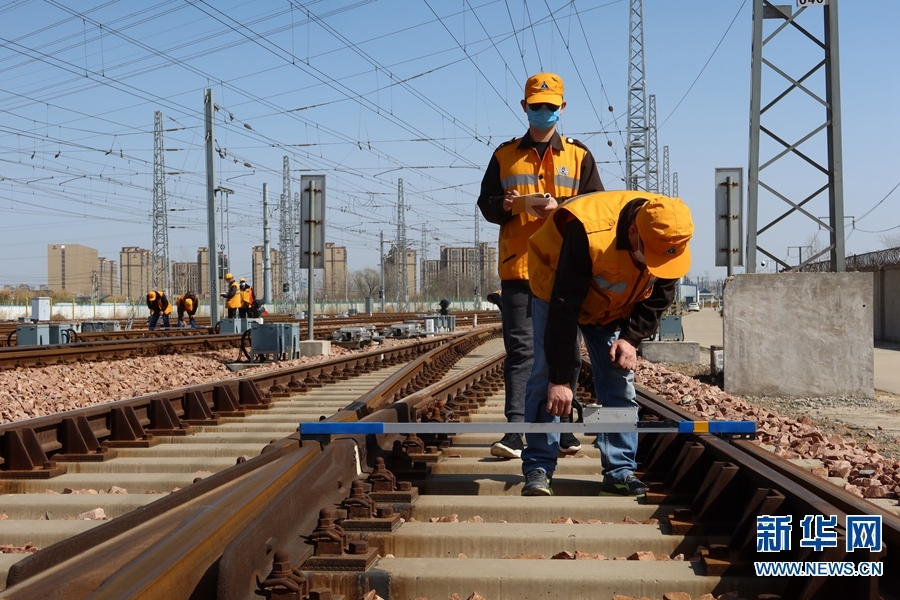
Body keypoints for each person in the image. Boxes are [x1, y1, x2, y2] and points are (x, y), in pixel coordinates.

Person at [519, 191, 694, 497]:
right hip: (556, 287)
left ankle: (619, 470)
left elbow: (661, 295)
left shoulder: (669, 235)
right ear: (632, 233)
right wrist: (561, 379)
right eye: (649, 256)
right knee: (547, 376)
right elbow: (564, 305)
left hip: (611, 302)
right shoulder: (588, 231)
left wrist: (631, 339)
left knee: (619, 379)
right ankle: (539, 467)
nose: (654, 264)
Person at [477, 72, 604, 460]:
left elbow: (598, 210)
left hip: (567, 271)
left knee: (566, 352)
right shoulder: (504, 155)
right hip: (519, 270)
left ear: (562, 108)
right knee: (521, 352)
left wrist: (561, 208)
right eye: (537, 106)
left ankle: (562, 430)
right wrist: (508, 204)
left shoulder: (580, 156)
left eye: (551, 107)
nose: (544, 112)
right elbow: (486, 204)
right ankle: (517, 433)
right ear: (524, 107)